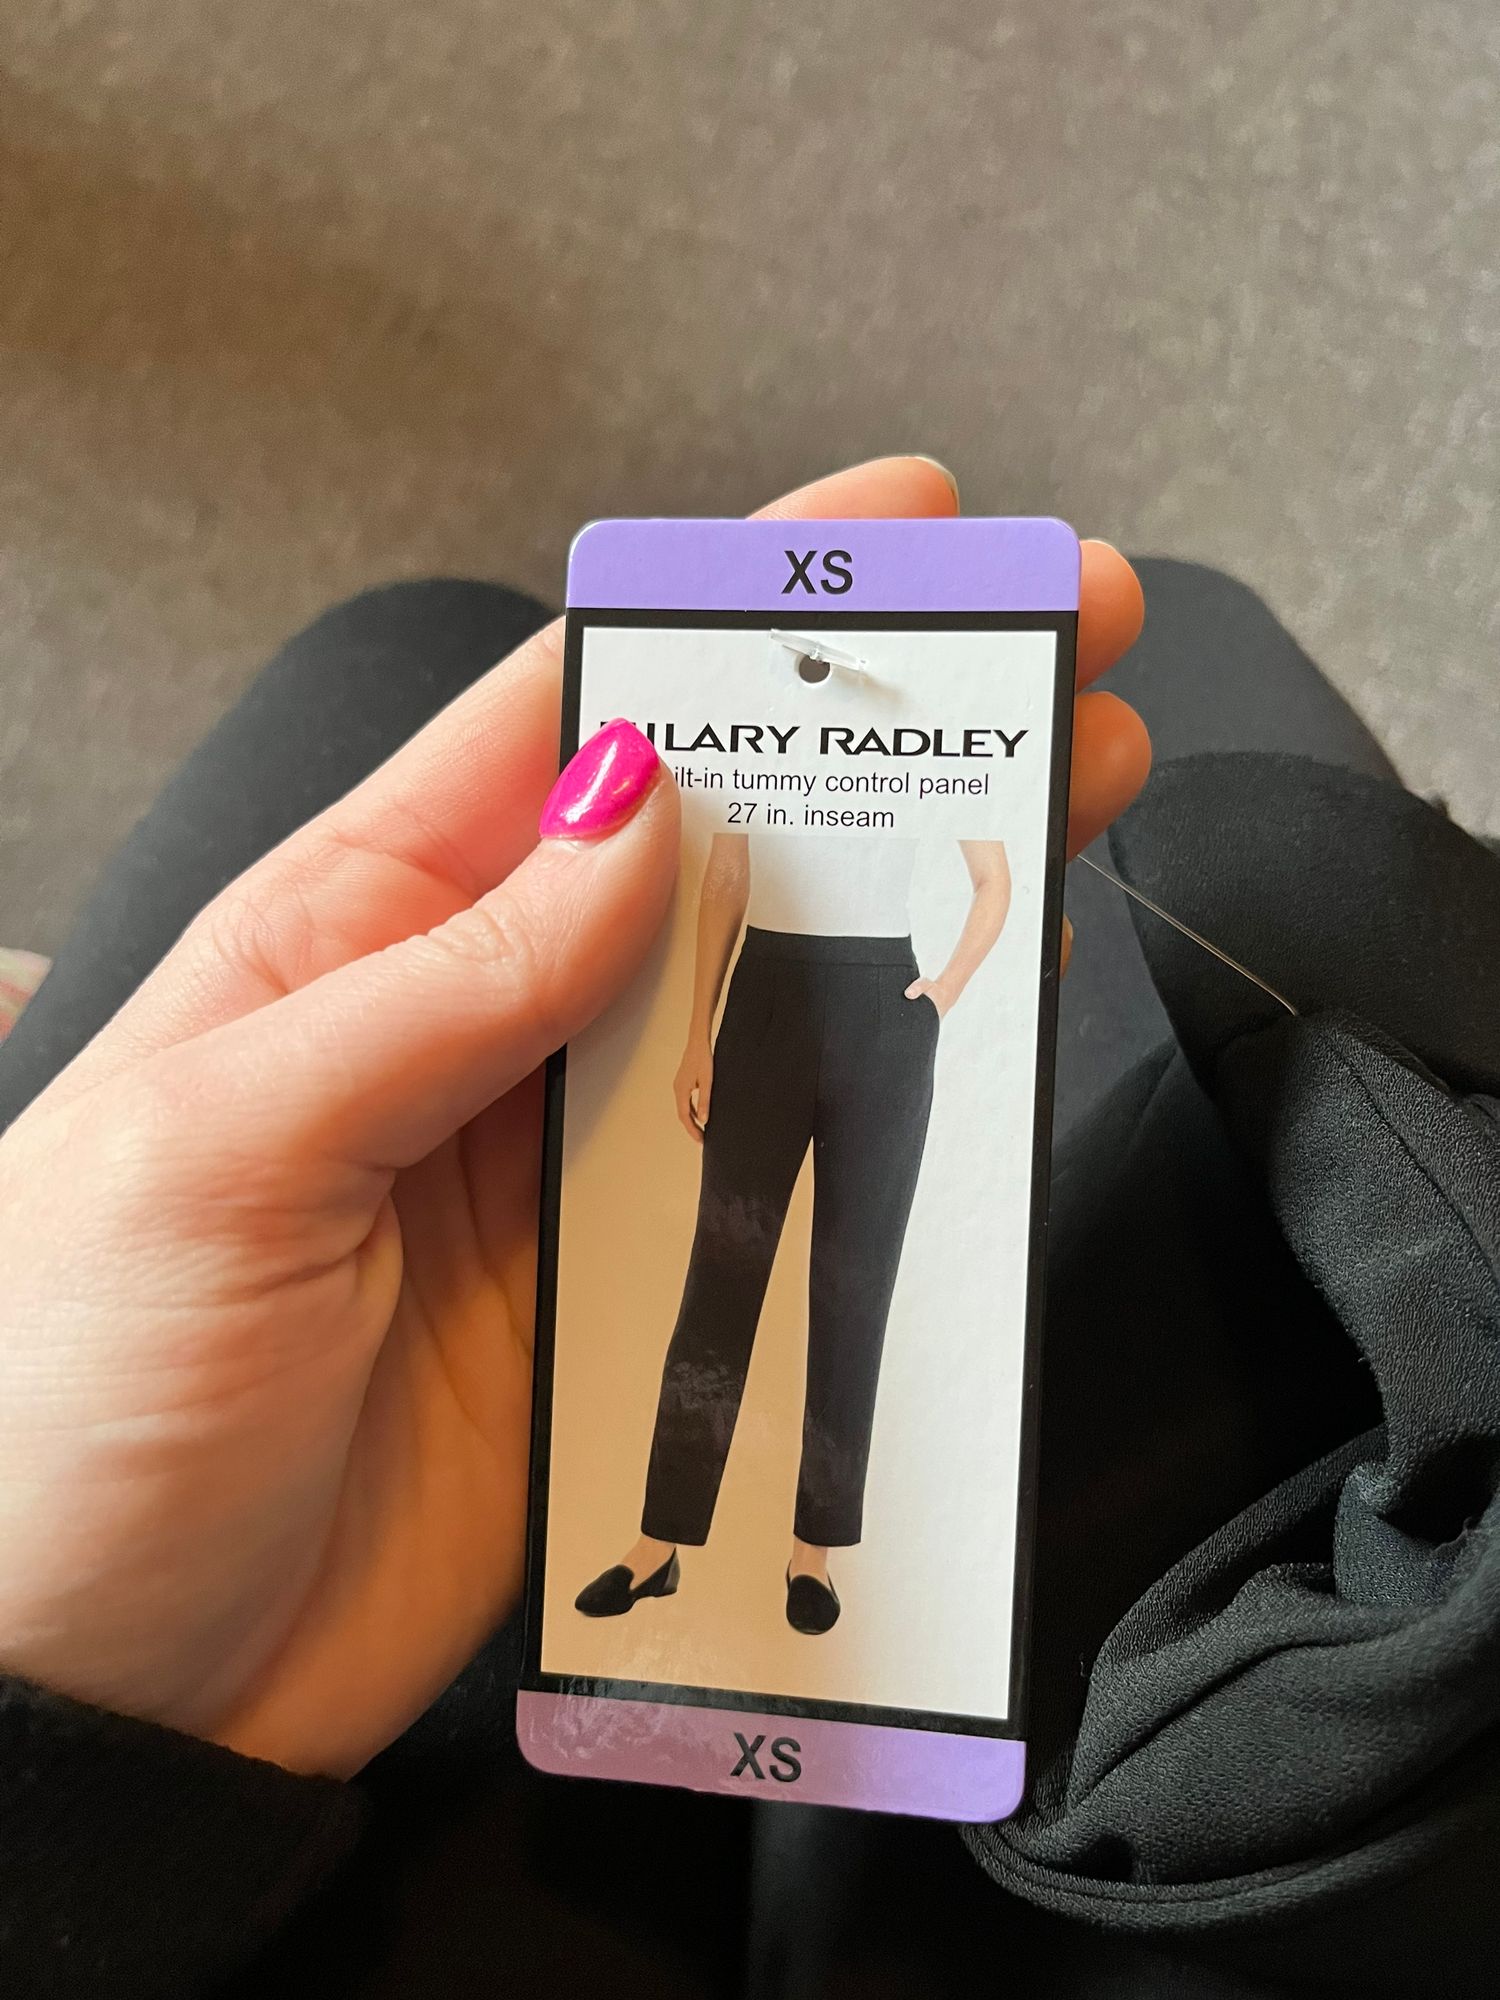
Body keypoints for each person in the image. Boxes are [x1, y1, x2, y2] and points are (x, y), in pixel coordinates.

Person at [576, 831, 1011, 1635]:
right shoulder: (766, 755)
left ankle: (813, 1554)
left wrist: (943, 994)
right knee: (719, 1283)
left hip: (884, 1013)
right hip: (763, 1002)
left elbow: (994, 878)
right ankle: (658, 1542)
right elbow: (727, 873)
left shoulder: (929, 752)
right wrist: (698, 1032)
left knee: (854, 1292)